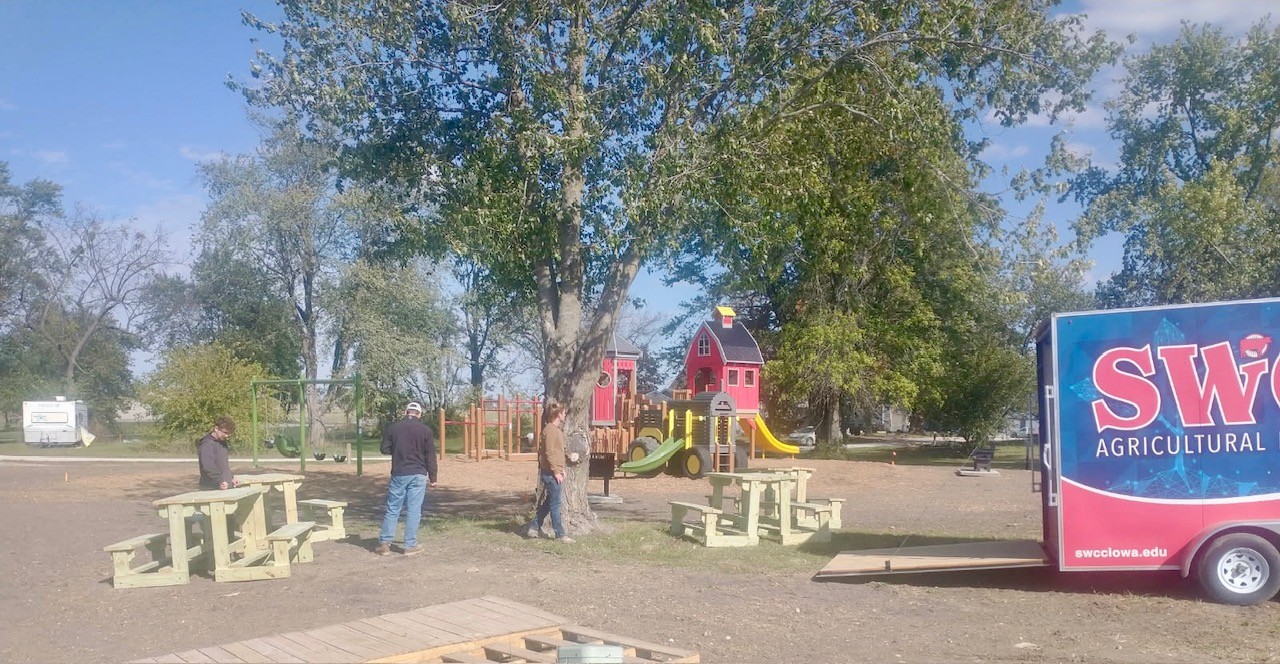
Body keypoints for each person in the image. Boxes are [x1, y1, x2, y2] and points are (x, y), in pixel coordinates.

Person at [376, 401, 438, 556]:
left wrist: (397, 450)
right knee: (414, 509)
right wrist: (433, 477)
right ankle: (410, 545)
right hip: (418, 473)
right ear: (419, 414)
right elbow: (430, 456)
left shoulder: (394, 428)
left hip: (399, 472)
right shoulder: (426, 431)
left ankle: (385, 543)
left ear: (406, 412)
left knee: (393, 508)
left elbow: (384, 449)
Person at [525, 401, 573, 543]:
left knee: (548, 503)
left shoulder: (555, 430)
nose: (565, 415)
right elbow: (550, 452)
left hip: (554, 471)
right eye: (564, 413)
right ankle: (560, 535)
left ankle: (534, 527)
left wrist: (562, 466)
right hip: (551, 473)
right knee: (556, 504)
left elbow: (557, 452)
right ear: (558, 415)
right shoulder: (551, 430)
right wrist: (557, 471)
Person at [198, 416, 238, 490]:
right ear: (216, 429)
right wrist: (220, 481)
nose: (226, 436)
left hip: (224, 486)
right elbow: (208, 467)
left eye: (228, 433)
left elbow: (224, 465)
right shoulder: (207, 444)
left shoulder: (223, 443)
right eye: (225, 432)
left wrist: (230, 478)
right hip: (210, 487)